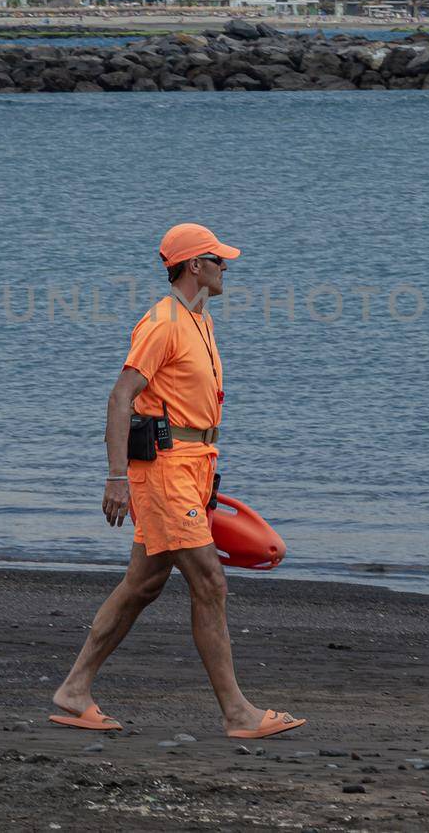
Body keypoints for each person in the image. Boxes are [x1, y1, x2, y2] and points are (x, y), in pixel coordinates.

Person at [49, 223, 305, 741]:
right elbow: (121, 397)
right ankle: (237, 713)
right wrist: (116, 477)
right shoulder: (163, 322)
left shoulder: (200, 320)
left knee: (143, 585)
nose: (225, 267)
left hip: (193, 464)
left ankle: (74, 692)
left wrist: (207, 473)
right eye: (217, 259)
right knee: (209, 582)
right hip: (163, 470)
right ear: (194, 266)